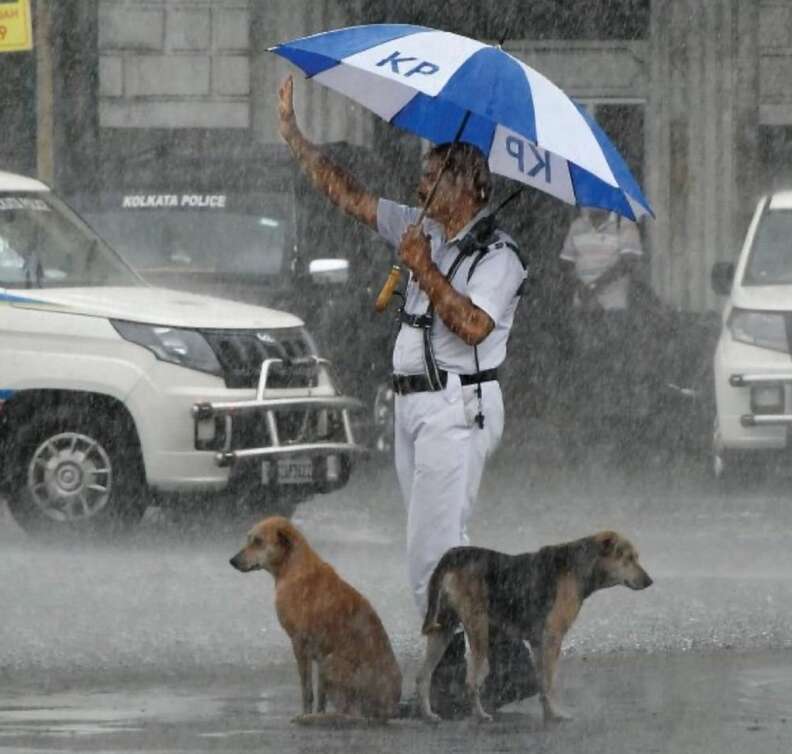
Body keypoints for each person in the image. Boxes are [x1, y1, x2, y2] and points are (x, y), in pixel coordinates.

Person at [276, 75, 536, 716]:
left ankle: (456, 679)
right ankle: (502, 666)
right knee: (445, 548)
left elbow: (474, 326)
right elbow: (354, 198)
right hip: (415, 408)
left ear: (468, 185)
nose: (418, 189)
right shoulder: (424, 227)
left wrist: (422, 267)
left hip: (458, 407)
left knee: (433, 557)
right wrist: (296, 138)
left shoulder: (498, 256)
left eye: (431, 179)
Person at [558, 207, 645, 456]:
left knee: (613, 367)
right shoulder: (577, 226)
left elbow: (628, 263)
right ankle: (591, 425)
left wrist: (594, 287)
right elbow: (565, 263)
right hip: (584, 311)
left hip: (614, 311)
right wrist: (581, 288)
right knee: (587, 368)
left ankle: (615, 429)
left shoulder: (624, 225)